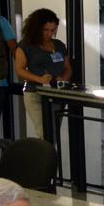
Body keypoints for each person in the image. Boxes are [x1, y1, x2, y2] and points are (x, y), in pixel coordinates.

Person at [14, 8, 72, 139]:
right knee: (44, 132)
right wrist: (39, 79)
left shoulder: (59, 45)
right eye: (46, 30)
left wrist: (62, 79)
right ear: (37, 28)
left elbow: (67, 68)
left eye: (53, 30)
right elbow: (19, 70)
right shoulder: (25, 46)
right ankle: (44, 158)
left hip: (56, 93)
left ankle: (48, 157)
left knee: (53, 133)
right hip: (35, 93)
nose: (49, 34)